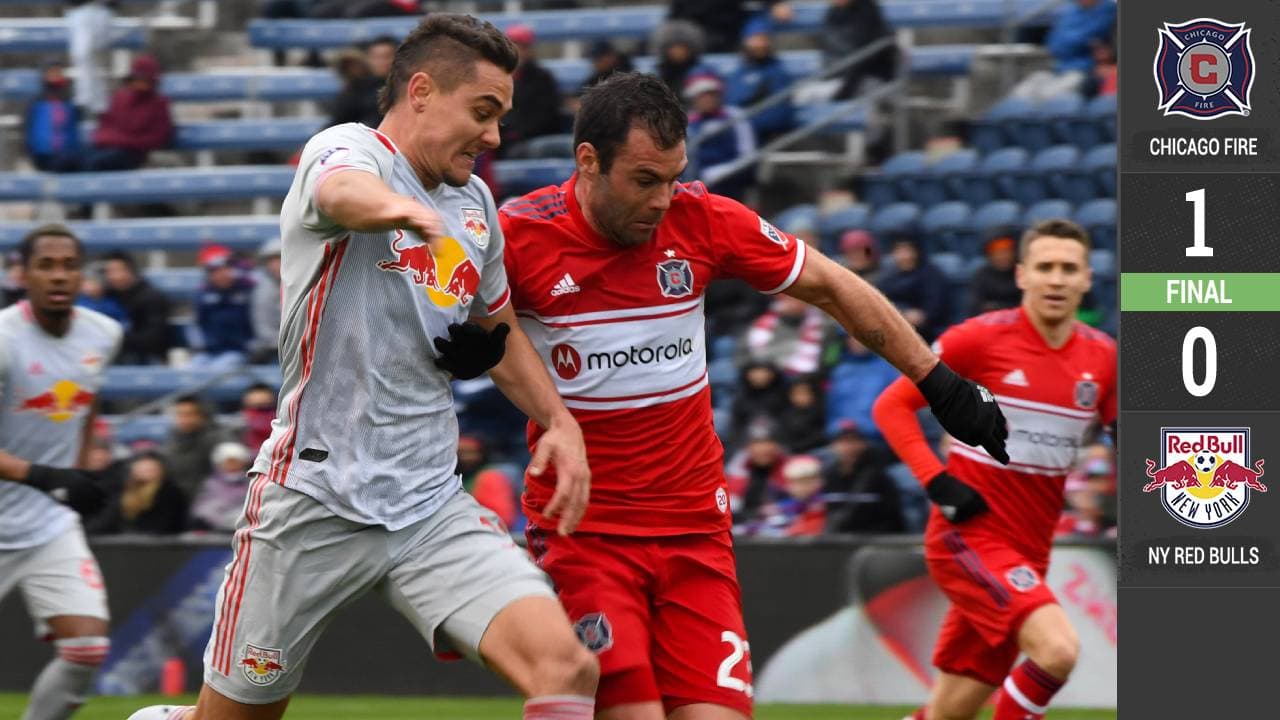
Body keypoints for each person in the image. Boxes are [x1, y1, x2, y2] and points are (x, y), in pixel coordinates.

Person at [128, 15, 598, 720]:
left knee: (567, 669)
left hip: (427, 502)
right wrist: (402, 211)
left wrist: (559, 421)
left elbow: (498, 329)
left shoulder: (475, 206)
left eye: (501, 117)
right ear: (420, 91)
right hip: (312, 495)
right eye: (482, 112)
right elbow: (339, 193)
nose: (496, 136)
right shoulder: (349, 150)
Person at [499, 71, 1008, 720]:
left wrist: (939, 383)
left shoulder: (703, 219)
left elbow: (831, 285)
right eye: (645, 180)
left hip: (695, 531)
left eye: (674, 178)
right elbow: (455, 323)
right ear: (588, 161)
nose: (662, 200)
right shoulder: (518, 236)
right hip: (587, 532)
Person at [873, 219, 1116, 720]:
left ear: (1087, 279)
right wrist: (937, 481)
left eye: (1068, 268)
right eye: (1045, 267)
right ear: (1022, 275)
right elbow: (891, 406)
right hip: (969, 537)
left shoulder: (1104, 358)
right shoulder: (978, 340)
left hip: (1031, 550)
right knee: (1057, 651)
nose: (1056, 279)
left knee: (948, 713)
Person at [0, 224, 122, 720]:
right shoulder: (4, 340)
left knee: (86, 648)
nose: (59, 276)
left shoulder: (104, 333)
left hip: (48, 524)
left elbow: (87, 396)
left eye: (69, 266)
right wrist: (47, 476)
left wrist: (83, 465)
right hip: (29, 497)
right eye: (46, 265)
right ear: (22, 274)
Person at [82, 55, 174, 172]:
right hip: (106, 148)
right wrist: (110, 139)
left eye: (144, 80)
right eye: (136, 79)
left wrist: (122, 141)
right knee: (72, 161)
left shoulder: (159, 104)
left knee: (96, 163)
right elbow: (104, 128)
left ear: (152, 81)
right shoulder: (119, 97)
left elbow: (158, 138)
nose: (139, 83)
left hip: (131, 154)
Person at [86, 452, 189, 535]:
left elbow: (165, 525)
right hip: (129, 541)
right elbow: (109, 519)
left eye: (150, 469)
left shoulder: (170, 493)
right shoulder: (125, 491)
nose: (145, 471)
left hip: (162, 544)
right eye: (142, 468)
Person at [501, 24, 564, 155]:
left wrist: (515, 132)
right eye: (513, 45)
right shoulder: (498, 75)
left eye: (523, 46)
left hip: (531, 138)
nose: (518, 51)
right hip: (502, 137)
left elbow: (547, 116)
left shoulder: (542, 78)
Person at [101, 250, 171, 364]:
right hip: (115, 355)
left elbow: (154, 339)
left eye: (116, 270)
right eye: (108, 272)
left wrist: (115, 337)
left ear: (130, 271)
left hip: (146, 358)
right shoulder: (107, 295)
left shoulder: (151, 297)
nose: (112, 276)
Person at [191, 247, 254, 369]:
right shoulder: (203, 293)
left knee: (219, 368)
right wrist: (199, 345)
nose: (222, 274)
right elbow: (197, 323)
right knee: (191, 370)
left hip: (237, 350)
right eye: (216, 271)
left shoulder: (246, 290)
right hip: (208, 351)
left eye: (225, 269)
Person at [25, 62, 82, 173]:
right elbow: (29, 129)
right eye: (51, 72)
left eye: (58, 72)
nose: (55, 76)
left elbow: (74, 130)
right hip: (43, 154)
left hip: (67, 153)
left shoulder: (69, 101)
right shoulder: (37, 102)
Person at [250, 239, 283, 363]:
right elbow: (264, 331)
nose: (275, 265)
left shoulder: (307, 283)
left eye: (279, 259)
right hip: (274, 349)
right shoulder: (262, 291)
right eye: (271, 261)